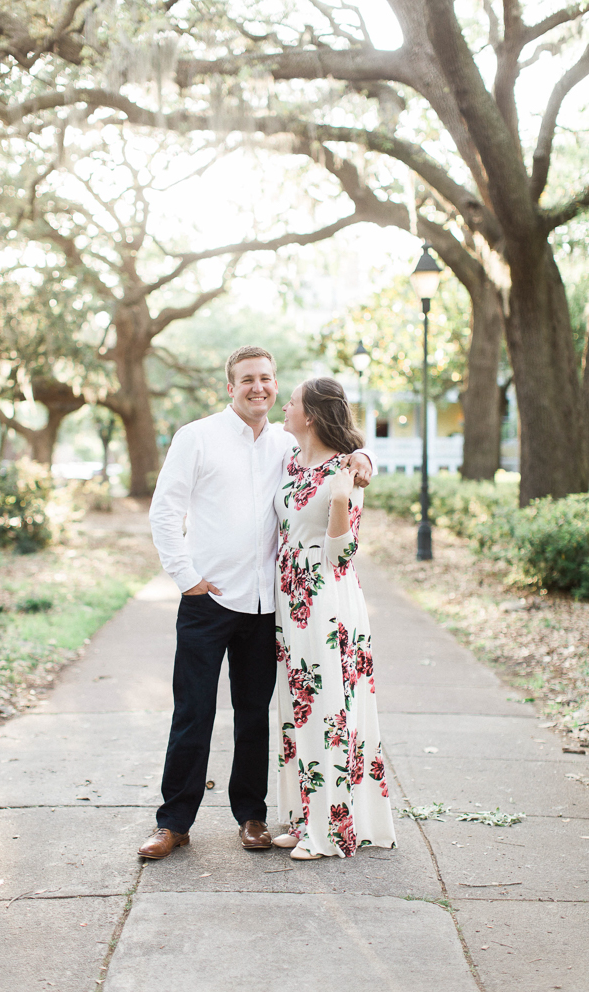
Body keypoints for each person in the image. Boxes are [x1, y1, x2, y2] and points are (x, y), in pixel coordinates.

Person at [138, 346, 375, 859]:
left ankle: (252, 816)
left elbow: (333, 458)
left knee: (254, 716)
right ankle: (173, 823)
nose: (259, 388)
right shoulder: (196, 437)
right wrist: (185, 577)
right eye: (247, 379)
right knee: (193, 713)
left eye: (267, 378)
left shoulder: (286, 447)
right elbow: (165, 511)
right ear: (231, 387)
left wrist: (363, 457)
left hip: (268, 605)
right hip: (208, 600)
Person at [272, 377, 396, 860]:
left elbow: (343, 553)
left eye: (293, 402)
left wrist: (343, 495)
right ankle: (305, 818)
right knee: (297, 708)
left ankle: (330, 831)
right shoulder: (290, 461)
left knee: (326, 710)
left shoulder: (345, 470)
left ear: (312, 415)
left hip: (326, 603)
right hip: (291, 603)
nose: (284, 407)